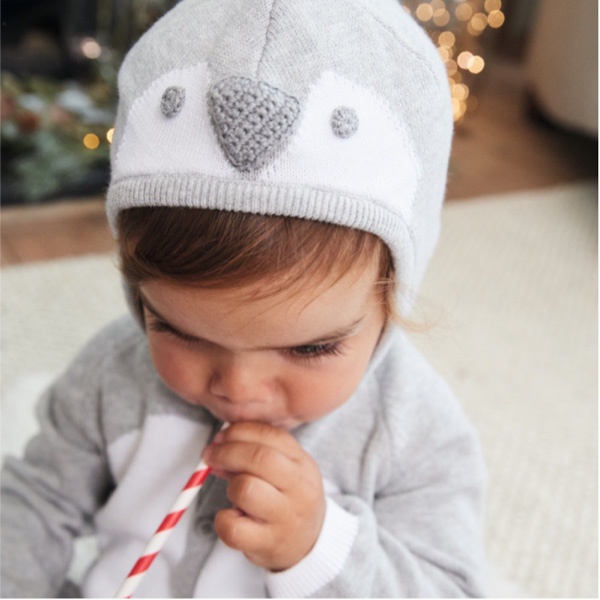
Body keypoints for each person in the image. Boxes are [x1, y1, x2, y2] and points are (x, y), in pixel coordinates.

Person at [1, 0, 487, 596]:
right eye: (181, 332)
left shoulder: (413, 431)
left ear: (388, 303)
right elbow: (35, 503)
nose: (240, 388)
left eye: (309, 349)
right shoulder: (112, 373)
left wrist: (319, 548)